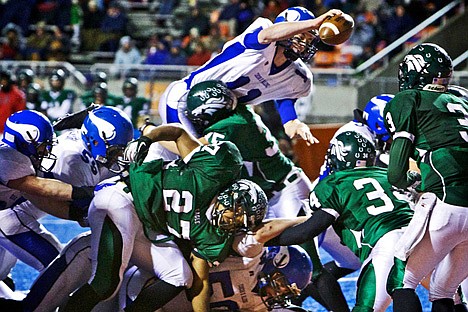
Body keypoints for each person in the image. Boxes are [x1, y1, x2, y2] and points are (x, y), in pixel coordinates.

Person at [61, 123, 304, 312]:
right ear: (232, 195)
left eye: (241, 223)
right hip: (125, 198)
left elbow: (200, 282)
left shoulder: (213, 236)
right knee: (106, 284)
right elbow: (177, 133)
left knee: (180, 275)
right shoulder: (215, 170)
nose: (234, 223)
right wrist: (147, 138)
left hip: (146, 227)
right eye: (238, 214)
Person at [183, 79, 351, 312]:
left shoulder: (230, 125)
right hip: (271, 195)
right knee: (275, 259)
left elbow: (192, 148)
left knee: (312, 266)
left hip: (285, 192)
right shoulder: (240, 115)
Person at [266, 131, 415, 311]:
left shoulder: (335, 184)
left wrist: (266, 240)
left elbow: (307, 231)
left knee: (366, 307)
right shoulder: (386, 174)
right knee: (437, 293)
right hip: (421, 235)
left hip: (387, 243)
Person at [158, 6, 344, 146]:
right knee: (192, 159)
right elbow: (267, 35)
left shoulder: (299, 76)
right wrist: (314, 22)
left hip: (218, 117)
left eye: (309, 39)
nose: (304, 43)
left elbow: (285, 99)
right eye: (301, 35)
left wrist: (293, 123)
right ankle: (149, 137)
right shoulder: (263, 35)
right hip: (185, 99)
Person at [383, 43, 468, 312]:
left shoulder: (409, 99)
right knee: (444, 290)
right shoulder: (464, 98)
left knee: (401, 281)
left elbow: (395, 174)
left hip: (448, 200)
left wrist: (412, 178)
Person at [0, 110, 97, 281]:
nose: (46, 151)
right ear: (24, 140)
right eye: (42, 146)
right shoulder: (9, 159)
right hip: (6, 219)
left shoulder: (15, 159)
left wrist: (75, 214)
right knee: (58, 268)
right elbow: (45, 188)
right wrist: (93, 192)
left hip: (5, 217)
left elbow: (39, 198)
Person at [122, 245, 313, 311]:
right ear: (273, 263)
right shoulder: (246, 256)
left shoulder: (261, 303)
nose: (279, 293)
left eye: (286, 291)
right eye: (281, 285)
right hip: (146, 291)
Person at [0, 69, 26, 134]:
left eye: (5, 80)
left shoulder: (18, 95)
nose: (3, 82)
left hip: (10, 130)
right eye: (1, 80)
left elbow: (19, 114)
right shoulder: (1, 93)